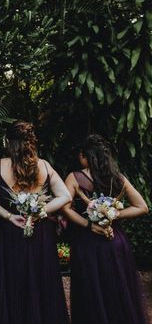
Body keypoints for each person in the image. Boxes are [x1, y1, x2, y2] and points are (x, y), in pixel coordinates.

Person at [0, 120, 71, 324]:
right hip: (39, 233)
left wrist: (7, 215)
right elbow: (65, 196)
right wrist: (40, 212)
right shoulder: (44, 165)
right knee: (40, 280)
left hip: (9, 233)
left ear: (7, 141)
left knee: (11, 283)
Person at [62, 134, 148, 324]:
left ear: (86, 156)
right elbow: (142, 206)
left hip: (87, 242)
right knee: (117, 289)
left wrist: (89, 224)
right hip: (115, 240)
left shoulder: (75, 177)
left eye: (81, 154)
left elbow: (64, 208)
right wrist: (114, 215)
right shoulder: (117, 178)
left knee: (90, 291)